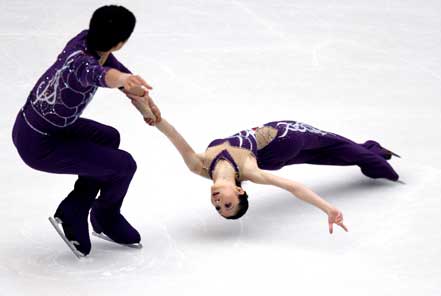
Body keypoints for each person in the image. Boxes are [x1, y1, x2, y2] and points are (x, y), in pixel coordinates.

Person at [128, 92, 401, 234]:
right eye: (227, 205)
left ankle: (371, 152)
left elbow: (172, 135)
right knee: (340, 148)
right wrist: (328, 208)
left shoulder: (198, 165)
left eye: (217, 207)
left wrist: (150, 113)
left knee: (340, 152)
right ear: (240, 191)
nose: (217, 201)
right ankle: (375, 158)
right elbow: (293, 187)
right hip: (291, 137)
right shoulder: (248, 171)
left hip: (275, 146)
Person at [11, 5, 160, 258]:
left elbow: (112, 69)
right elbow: (102, 75)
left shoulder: (85, 41)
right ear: (121, 43)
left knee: (109, 138)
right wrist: (123, 81)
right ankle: (105, 216)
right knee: (124, 165)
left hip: (38, 126)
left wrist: (144, 103)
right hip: (40, 144)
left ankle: (76, 208)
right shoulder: (82, 65)